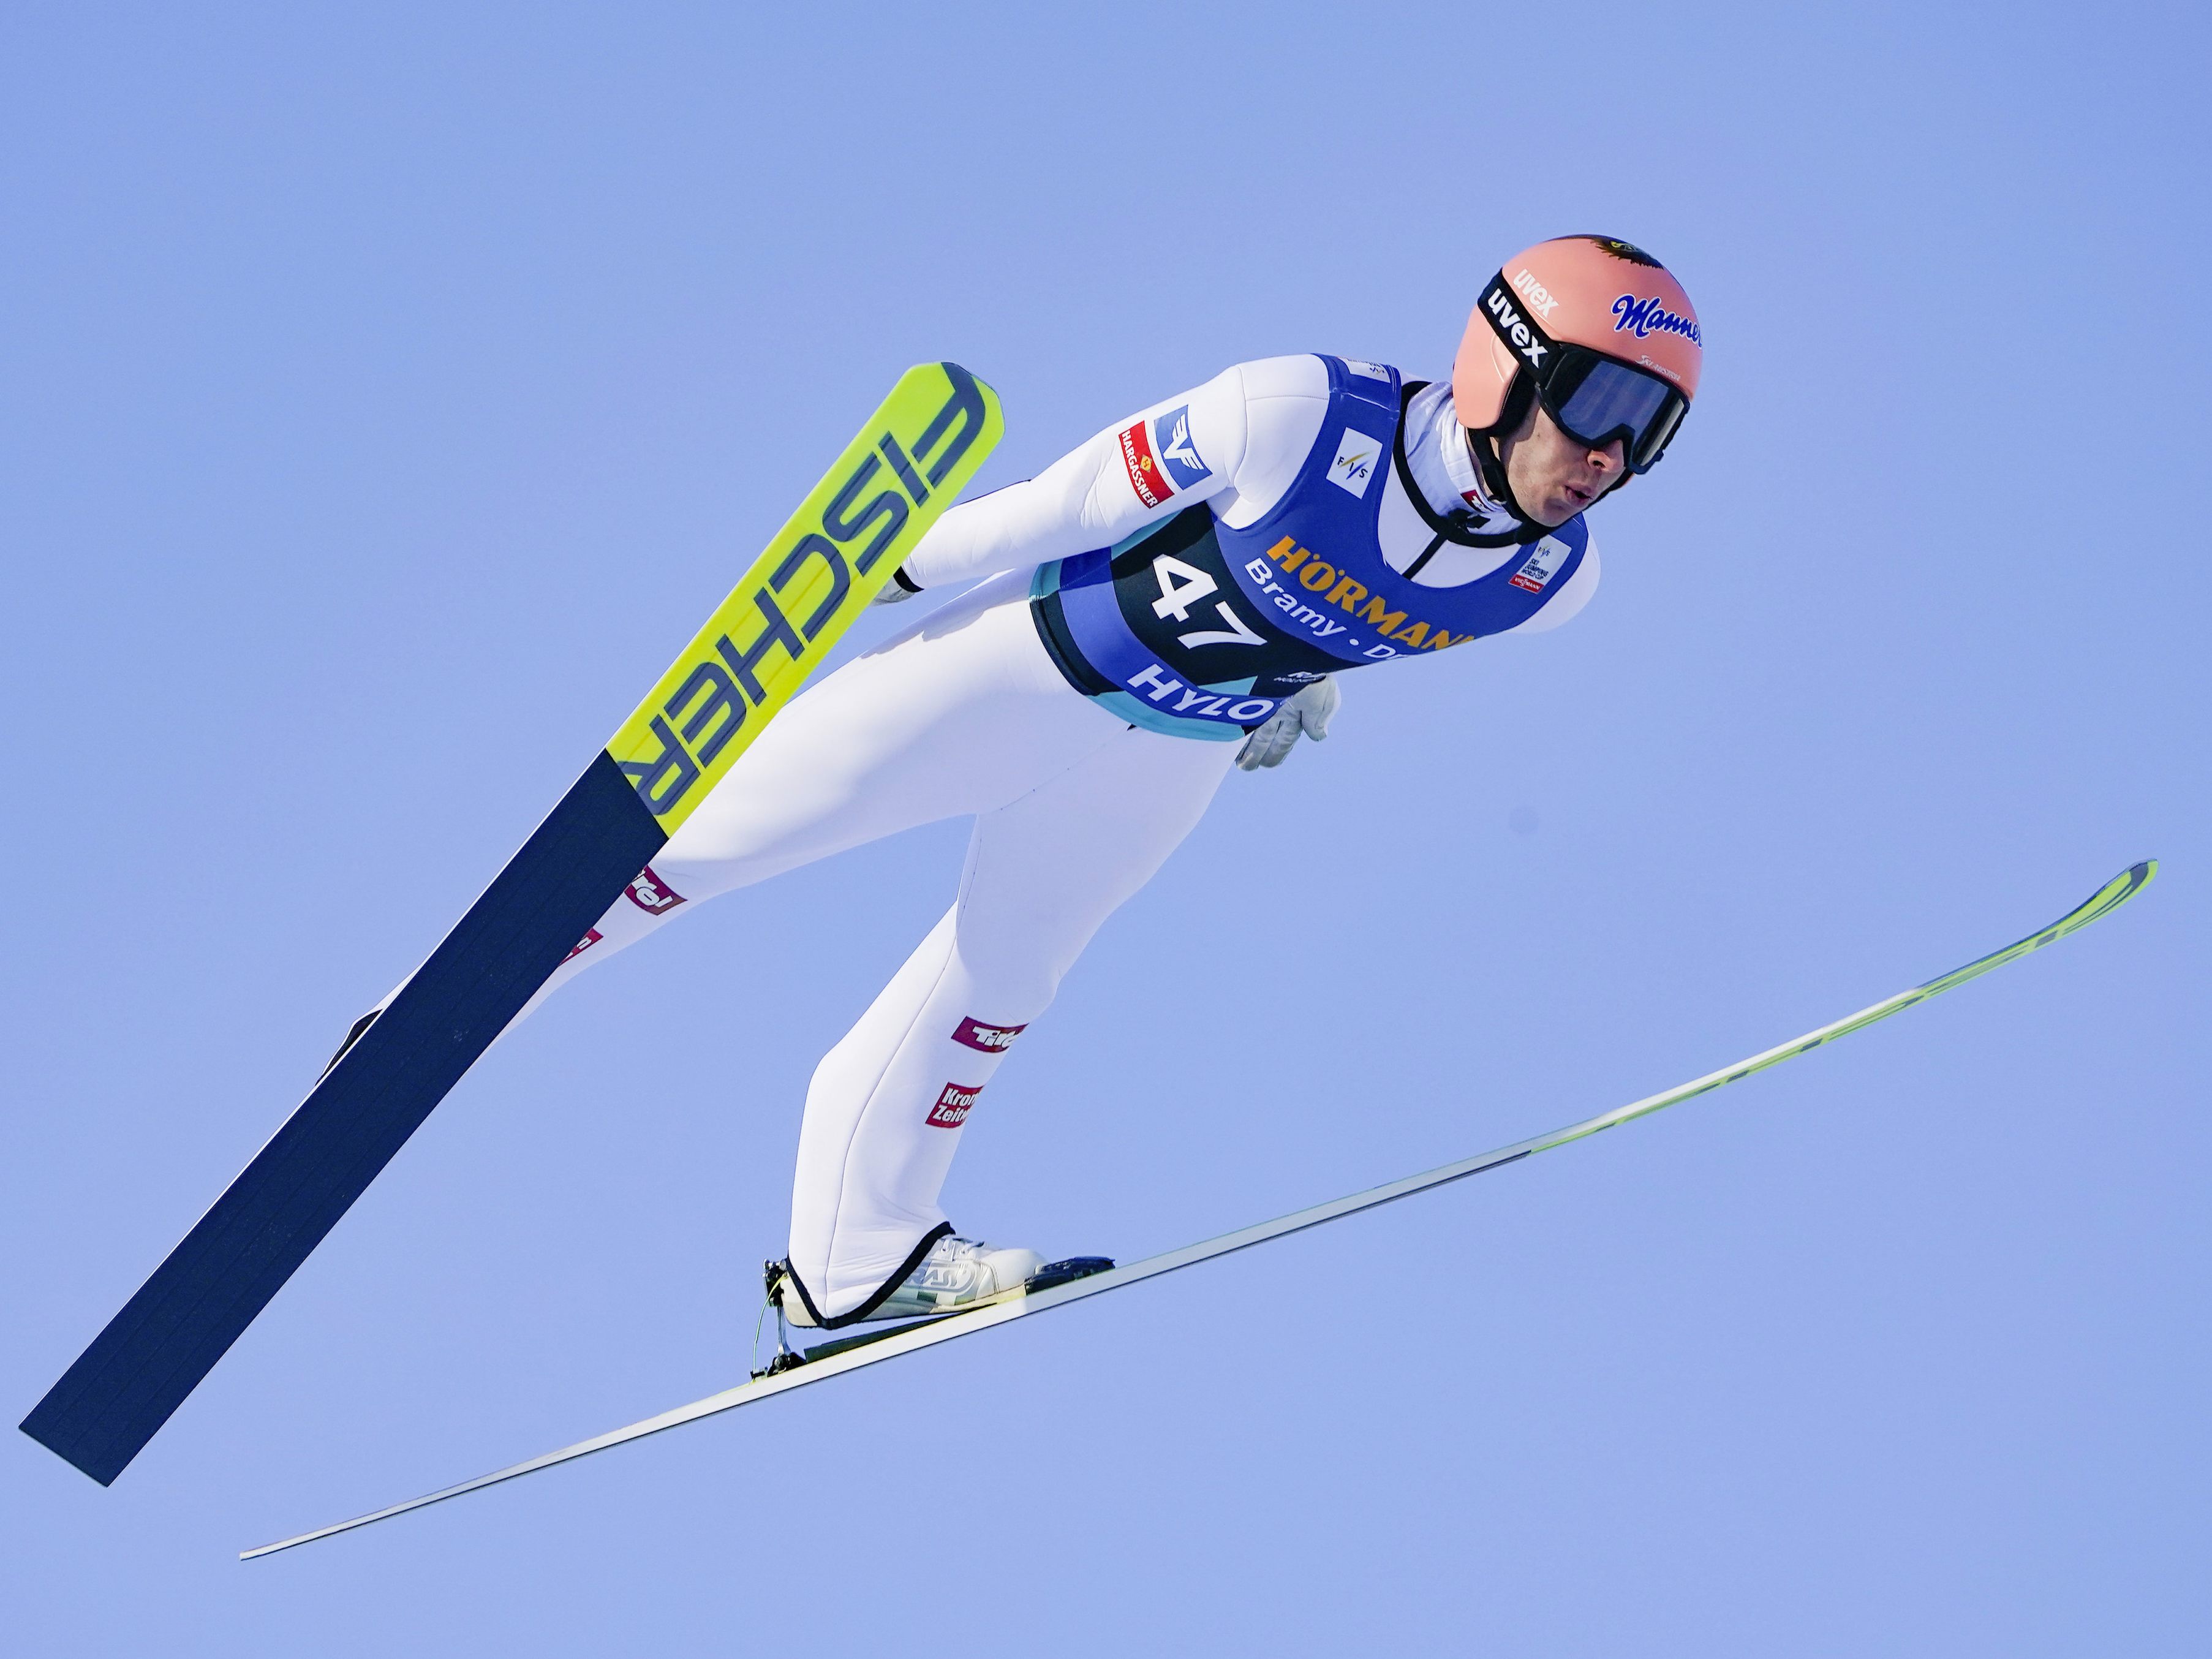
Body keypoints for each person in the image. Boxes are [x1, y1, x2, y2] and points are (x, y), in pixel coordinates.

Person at [525, 233, 1702, 1329]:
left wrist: (1301, 671)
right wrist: (873, 567)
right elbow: (1056, 507)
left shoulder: (1553, 580)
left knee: (996, 989)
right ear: (1505, 364)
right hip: (1020, 669)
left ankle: (855, 1265)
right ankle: (442, 1013)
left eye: (1652, 432)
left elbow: (1366, 590)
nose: (1612, 455)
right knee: (713, 843)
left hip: (1165, 763)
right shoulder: (1294, 412)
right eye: (1603, 403)